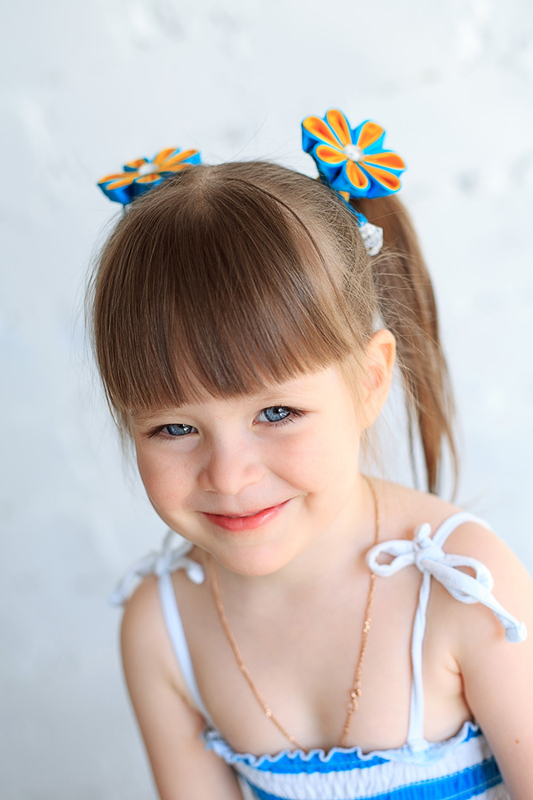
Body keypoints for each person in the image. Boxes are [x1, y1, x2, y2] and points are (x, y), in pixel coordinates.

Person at [90, 110, 533, 799]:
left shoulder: (461, 589)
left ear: (369, 381)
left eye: (276, 414)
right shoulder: (164, 628)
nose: (228, 476)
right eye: (173, 428)